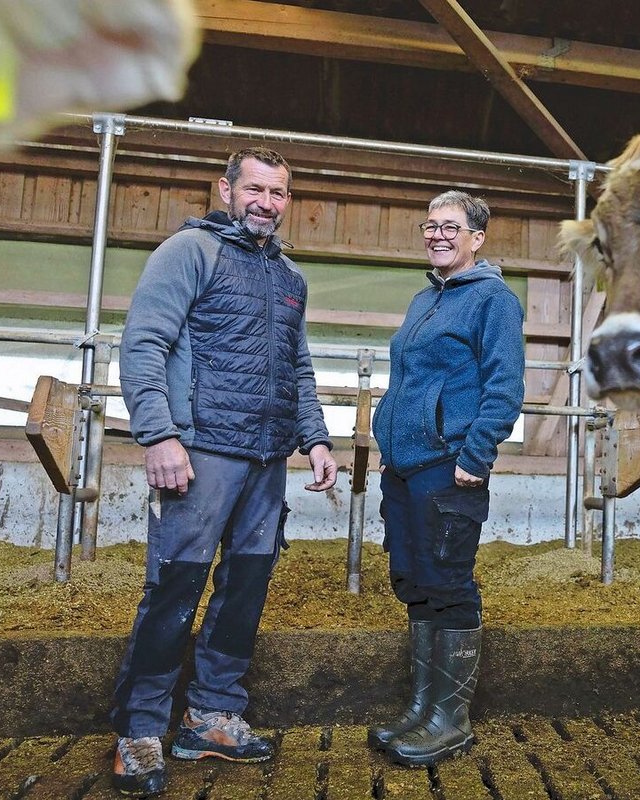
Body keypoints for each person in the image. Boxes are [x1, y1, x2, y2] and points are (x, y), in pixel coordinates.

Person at [111, 146, 338, 797]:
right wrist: (159, 434)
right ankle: (139, 730)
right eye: (256, 188)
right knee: (176, 589)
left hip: (266, 463)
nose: (267, 201)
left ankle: (210, 714)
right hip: (198, 454)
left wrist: (315, 440)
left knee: (245, 591)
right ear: (226, 189)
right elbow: (144, 341)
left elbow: (297, 368)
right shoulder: (189, 252)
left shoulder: (289, 277)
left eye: (279, 192)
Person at [368, 190, 525, 767]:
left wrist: (474, 456)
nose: (438, 234)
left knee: (448, 580)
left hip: (448, 465)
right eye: (430, 225)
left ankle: (450, 720)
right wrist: (391, 440)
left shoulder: (495, 301)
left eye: (451, 227)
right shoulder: (422, 300)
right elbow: (405, 381)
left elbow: (505, 388)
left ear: (477, 238)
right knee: (413, 578)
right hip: (406, 466)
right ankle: (421, 708)